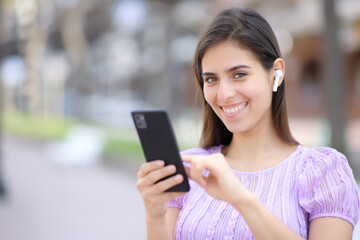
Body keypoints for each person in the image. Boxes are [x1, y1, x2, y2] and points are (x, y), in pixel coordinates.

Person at [136, 7, 360, 240]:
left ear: (277, 73)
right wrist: (154, 215)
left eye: (239, 74)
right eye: (211, 79)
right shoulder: (192, 170)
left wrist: (240, 198)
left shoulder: (322, 173)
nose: (223, 94)